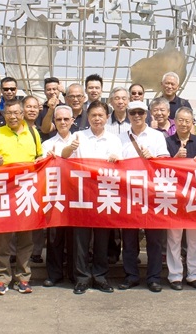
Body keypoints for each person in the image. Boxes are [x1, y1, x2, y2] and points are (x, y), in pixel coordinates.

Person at [0, 99, 43, 295]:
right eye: (9, 113)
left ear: (23, 114)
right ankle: (2, 279)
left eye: (17, 113)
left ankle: (23, 278)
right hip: (4, 193)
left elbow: (39, 157)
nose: (13, 116)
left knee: (26, 240)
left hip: (26, 193)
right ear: (4, 115)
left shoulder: (33, 133)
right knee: (3, 240)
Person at [70, 100, 123, 294]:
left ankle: (100, 277)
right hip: (82, 195)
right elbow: (67, 161)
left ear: (107, 117)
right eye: (93, 115)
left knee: (102, 239)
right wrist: (69, 149)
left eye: (101, 115)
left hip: (104, 195)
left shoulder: (114, 140)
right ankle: (82, 278)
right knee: (81, 240)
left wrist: (116, 160)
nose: (97, 119)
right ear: (88, 117)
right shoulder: (78, 136)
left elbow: (122, 165)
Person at [119, 100, 170, 293]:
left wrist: (153, 158)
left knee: (154, 240)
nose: (137, 116)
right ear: (128, 115)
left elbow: (165, 162)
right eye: (133, 113)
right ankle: (131, 276)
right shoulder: (120, 137)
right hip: (128, 194)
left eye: (140, 112)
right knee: (129, 239)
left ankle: (154, 278)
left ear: (146, 114)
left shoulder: (157, 136)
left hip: (151, 194)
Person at [165, 107, 196, 291]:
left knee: (194, 239)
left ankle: (193, 275)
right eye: (180, 120)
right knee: (174, 238)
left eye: (187, 121)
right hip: (173, 196)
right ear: (175, 122)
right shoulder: (167, 142)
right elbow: (161, 168)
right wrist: (175, 158)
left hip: (194, 197)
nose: (184, 124)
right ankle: (175, 275)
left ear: (192, 123)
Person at [40, 105, 78, 289]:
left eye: (66, 119)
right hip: (55, 195)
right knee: (54, 237)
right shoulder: (47, 144)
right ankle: (54, 274)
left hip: (76, 195)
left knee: (75, 238)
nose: (63, 122)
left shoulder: (81, 140)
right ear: (54, 122)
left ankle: (74, 273)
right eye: (59, 119)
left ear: (72, 121)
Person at [23, 95, 46, 264]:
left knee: (37, 216)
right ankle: (14, 253)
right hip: (17, 180)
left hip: (36, 180)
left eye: (35, 107)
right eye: (28, 106)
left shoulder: (37, 131)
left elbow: (39, 155)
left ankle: (36, 252)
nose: (32, 110)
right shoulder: (13, 128)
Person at [39, 76, 64, 141]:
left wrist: (64, 92)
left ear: (59, 90)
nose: (52, 92)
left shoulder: (65, 107)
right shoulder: (40, 109)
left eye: (54, 89)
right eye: (49, 89)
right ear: (44, 92)